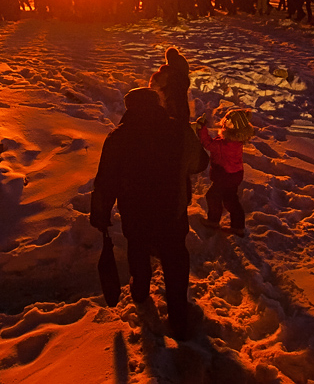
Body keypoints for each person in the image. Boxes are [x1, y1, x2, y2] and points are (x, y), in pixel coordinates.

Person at [89, 88, 209, 339]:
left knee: (138, 249)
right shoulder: (179, 130)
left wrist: (100, 214)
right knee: (175, 259)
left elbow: (106, 181)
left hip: (136, 214)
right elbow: (199, 163)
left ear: (129, 108)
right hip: (172, 212)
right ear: (158, 104)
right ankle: (178, 316)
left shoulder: (118, 137)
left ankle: (140, 291)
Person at [196, 109, 253, 236]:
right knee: (230, 199)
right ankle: (238, 226)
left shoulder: (223, 144)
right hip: (235, 175)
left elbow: (208, 144)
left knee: (213, 196)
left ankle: (213, 221)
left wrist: (201, 129)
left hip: (224, 176)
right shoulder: (237, 141)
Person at [149, 47, 191, 121]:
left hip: (167, 112)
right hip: (183, 112)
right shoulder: (183, 77)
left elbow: (152, 93)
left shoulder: (162, 76)